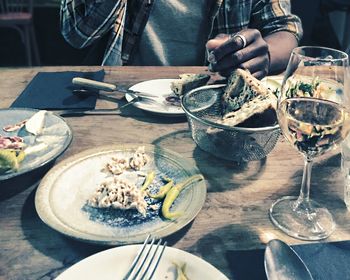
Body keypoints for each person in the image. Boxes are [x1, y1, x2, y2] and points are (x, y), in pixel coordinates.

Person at [60, 0, 302, 79]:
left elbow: (284, 28)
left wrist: (264, 55)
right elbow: (76, 33)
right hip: (123, 98)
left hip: (214, 101)